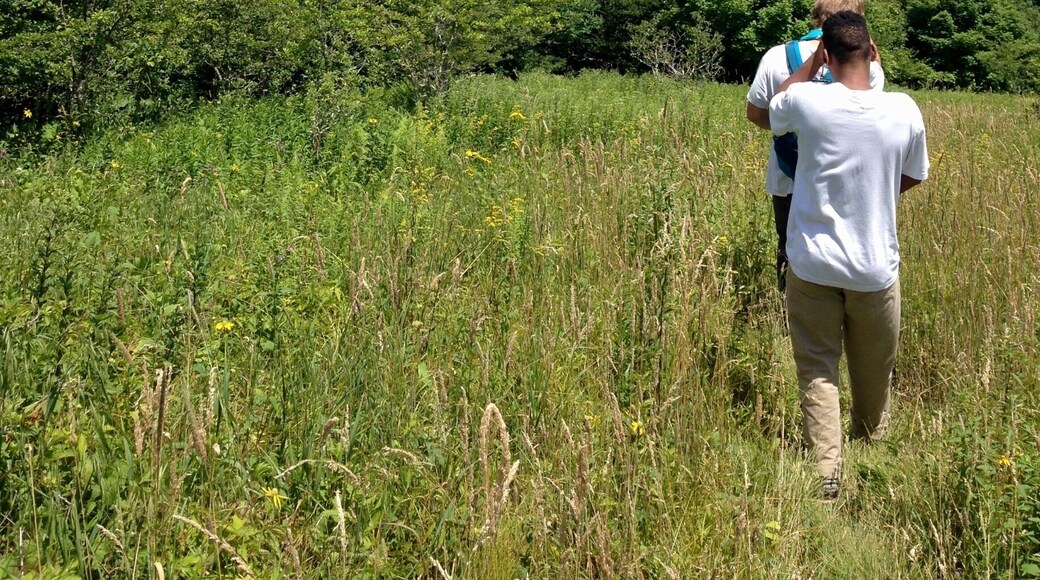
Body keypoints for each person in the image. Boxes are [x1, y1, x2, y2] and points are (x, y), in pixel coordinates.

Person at [769, 10, 929, 499]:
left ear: (828, 55)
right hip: (874, 267)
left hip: (813, 264)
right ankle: (871, 444)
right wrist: (875, 196)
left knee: (818, 367)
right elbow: (915, 174)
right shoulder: (904, 108)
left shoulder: (809, 101)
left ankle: (827, 475)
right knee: (873, 367)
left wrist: (809, 62)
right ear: (873, 53)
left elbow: (773, 107)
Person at [746, 0, 884, 291]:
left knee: (789, 245)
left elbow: (756, 114)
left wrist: (790, 124)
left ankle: (789, 312)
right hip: (849, 177)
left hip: (789, 175)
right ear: (857, 23)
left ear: (816, 17)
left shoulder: (777, 56)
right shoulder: (865, 62)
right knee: (850, 246)